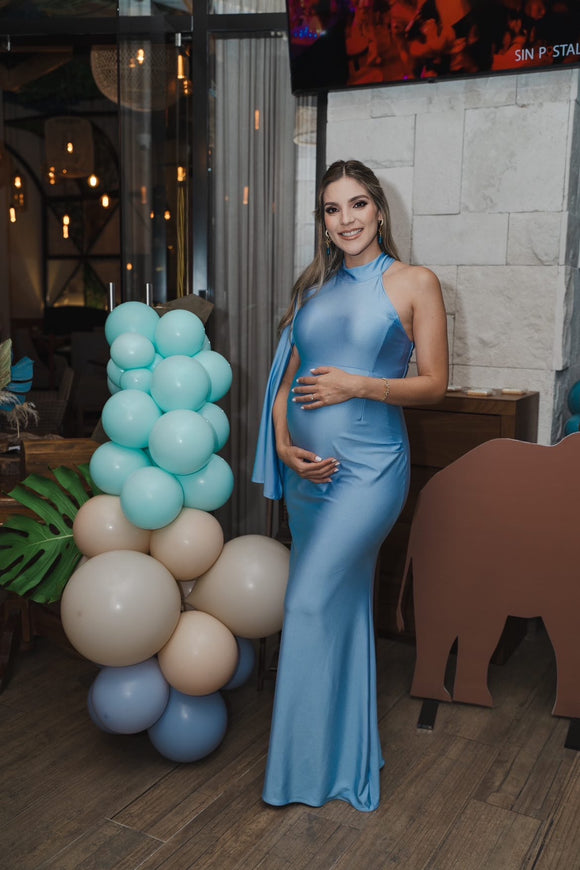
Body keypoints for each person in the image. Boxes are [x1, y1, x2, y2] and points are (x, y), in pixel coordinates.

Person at [252, 159, 448, 812]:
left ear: (380, 210)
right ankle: (341, 754)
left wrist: (357, 384)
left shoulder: (415, 282)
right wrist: (284, 447)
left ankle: (304, 773)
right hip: (309, 479)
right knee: (339, 608)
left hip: (370, 474)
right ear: (323, 222)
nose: (347, 220)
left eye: (357, 204)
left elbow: (434, 384)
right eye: (332, 210)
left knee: (305, 605)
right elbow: (286, 385)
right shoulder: (312, 291)